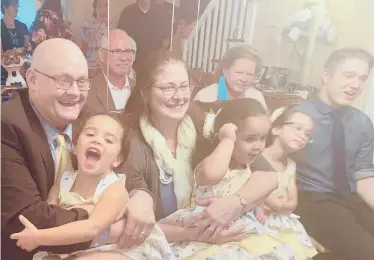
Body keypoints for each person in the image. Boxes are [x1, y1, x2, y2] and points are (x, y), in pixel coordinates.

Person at [123, 51, 281, 252]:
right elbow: (135, 223)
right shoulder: (129, 140)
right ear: (145, 92)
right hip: (161, 241)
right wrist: (198, 233)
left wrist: (233, 204)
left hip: (213, 233)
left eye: (184, 86)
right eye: (168, 87)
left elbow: (269, 176)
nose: (179, 96)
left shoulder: (204, 122)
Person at [11, 114, 174, 260]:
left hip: (114, 250)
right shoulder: (63, 181)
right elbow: (50, 216)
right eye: (90, 134)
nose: (96, 140)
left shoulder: (114, 189)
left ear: (117, 160)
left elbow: (92, 228)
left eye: (108, 140)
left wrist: (39, 238)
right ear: (75, 147)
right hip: (69, 247)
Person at [158, 98, 302, 259]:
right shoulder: (212, 163)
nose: (258, 146)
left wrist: (256, 207)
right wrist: (227, 139)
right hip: (205, 228)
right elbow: (212, 176)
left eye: (262, 138)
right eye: (249, 139)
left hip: (237, 232)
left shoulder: (247, 169)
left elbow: (256, 192)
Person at [1, 38, 92, 260]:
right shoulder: (6, 126)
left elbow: (121, 165)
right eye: (63, 81)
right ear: (32, 80)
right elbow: (27, 217)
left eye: (82, 81)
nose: (75, 92)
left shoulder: (90, 118)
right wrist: (99, 223)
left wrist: (139, 196)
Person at [291, 48, 374, 260]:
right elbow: (275, 167)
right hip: (313, 200)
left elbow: (363, 176)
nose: (356, 85)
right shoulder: (298, 116)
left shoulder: (362, 123)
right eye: (348, 75)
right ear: (326, 75)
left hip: (350, 198)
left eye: (362, 78)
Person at [251, 107, 317, 260]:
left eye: (307, 134)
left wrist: (281, 207)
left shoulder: (291, 165)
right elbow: (252, 189)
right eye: (298, 128)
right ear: (276, 129)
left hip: (280, 219)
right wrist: (274, 204)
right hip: (257, 216)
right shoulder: (256, 156)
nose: (303, 136)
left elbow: (293, 200)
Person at [194, 45, 267, 110]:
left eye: (249, 74)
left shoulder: (257, 97)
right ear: (225, 71)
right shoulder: (205, 97)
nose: (244, 79)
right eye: (238, 73)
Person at [85, 29, 136, 114]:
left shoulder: (140, 90)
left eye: (127, 51)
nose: (123, 58)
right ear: (101, 55)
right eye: (116, 51)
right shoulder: (88, 92)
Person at [117, 0, 174, 73]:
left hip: (155, 60)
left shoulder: (160, 13)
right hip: (134, 60)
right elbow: (121, 38)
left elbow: (166, 40)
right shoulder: (128, 12)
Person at [1, 0, 31, 85]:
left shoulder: (23, 26)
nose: (17, 9)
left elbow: (27, 48)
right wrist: (13, 54)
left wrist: (27, 49)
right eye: (13, 6)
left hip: (22, 69)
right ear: (4, 7)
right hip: (5, 71)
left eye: (17, 6)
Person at [80, 0, 110, 77]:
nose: (103, 9)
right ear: (95, 9)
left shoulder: (111, 29)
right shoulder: (87, 28)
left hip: (105, 69)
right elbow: (83, 50)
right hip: (90, 67)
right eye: (100, 6)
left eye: (106, 5)